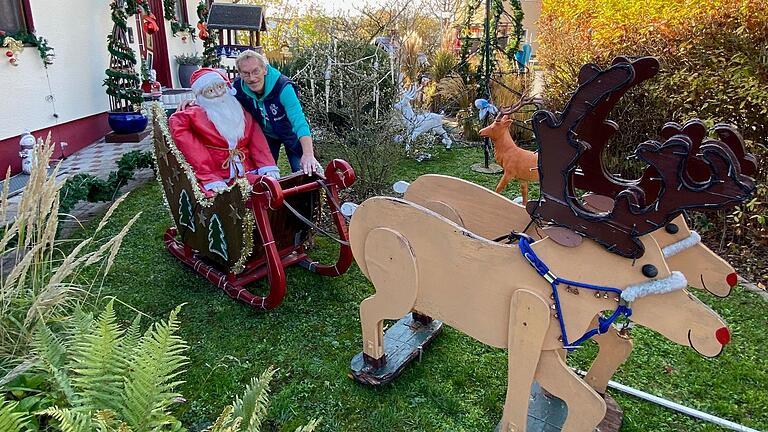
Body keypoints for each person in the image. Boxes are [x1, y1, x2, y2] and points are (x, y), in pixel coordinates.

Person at [180, 51, 320, 175]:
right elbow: (218, 96)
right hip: (266, 136)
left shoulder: (283, 87)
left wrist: (308, 154)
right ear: (239, 74)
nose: (252, 78)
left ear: (264, 70)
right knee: (267, 172)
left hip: (291, 133)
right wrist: (196, 101)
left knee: (304, 172)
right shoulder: (237, 88)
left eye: (256, 71)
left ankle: (306, 202)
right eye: (245, 74)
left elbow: (299, 120)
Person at [169, 68, 280, 194]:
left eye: (220, 87)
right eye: (210, 91)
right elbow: (181, 130)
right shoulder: (194, 114)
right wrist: (209, 176)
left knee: (270, 188)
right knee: (219, 202)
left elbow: (257, 140)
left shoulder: (237, 108)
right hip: (218, 175)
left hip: (247, 171)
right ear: (201, 95)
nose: (217, 93)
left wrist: (266, 165)